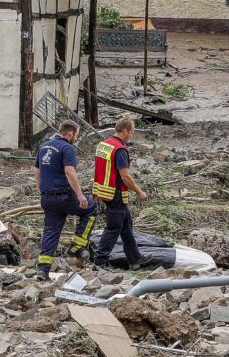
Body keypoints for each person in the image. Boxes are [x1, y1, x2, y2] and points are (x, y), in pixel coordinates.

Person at [33, 120, 94, 277]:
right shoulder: (67, 148)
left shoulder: (44, 146)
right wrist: (80, 195)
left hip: (47, 198)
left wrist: (42, 190)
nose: (76, 138)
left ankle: (43, 269)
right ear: (71, 134)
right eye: (77, 135)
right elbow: (69, 171)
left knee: (51, 231)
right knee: (91, 208)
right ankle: (76, 248)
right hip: (64, 197)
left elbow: (37, 171)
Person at [90, 116, 146, 268]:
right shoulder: (120, 149)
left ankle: (135, 260)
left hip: (103, 191)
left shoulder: (104, 144)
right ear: (125, 131)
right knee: (113, 228)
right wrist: (139, 192)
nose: (132, 135)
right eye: (132, 132)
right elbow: (125, 176)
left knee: (126, 225)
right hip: (115, 194)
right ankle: (99, 262)